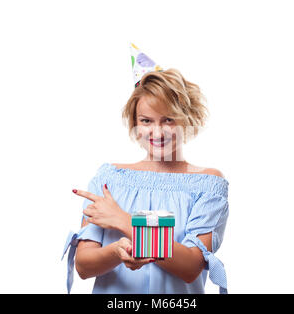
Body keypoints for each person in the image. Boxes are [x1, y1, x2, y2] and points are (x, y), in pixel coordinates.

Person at [62, 44, 229, 294]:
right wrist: (117, 251)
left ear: (187, 118)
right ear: (134, 123)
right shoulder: (109, 180)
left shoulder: (208, 183)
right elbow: (84, 267)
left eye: (169, 119)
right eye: (146, 121)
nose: (157, 132)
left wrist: (124, 220)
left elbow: (190, 266)